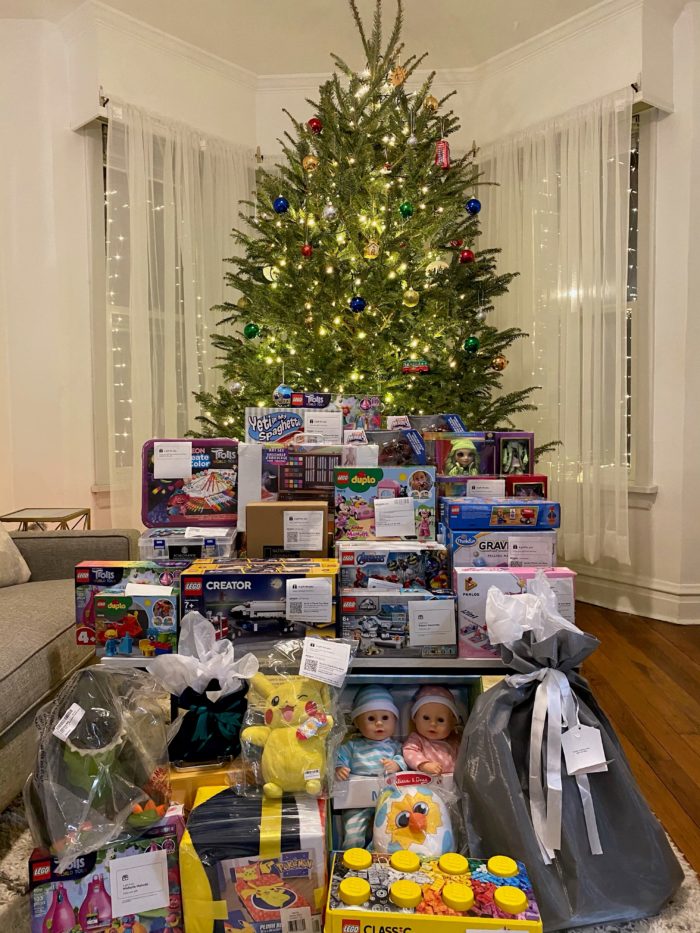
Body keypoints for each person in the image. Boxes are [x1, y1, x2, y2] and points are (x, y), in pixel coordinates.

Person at [335, 686, 405, 848]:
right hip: (357, 802)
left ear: (395, 721)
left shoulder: (396, 746)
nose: (379, 723)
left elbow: (403, 761)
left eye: (386, 717)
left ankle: (376, 854)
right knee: (353, 835)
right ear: (357, 723)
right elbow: (340, 757)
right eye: (371, 719)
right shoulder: (352, 745)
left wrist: (396, 765)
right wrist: (340, 768)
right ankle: (352, 855)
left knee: (387, 832)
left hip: (389, 801)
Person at [402, 686, 460, 775]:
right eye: (426, 718)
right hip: (425, 781)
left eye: (440, 720)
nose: (433, 724)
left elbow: (464, 757)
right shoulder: (416, 739)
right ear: (415, 718)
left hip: (451, 782)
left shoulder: (455, 740)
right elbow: (410, 752)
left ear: (452, 723)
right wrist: (424, 765)